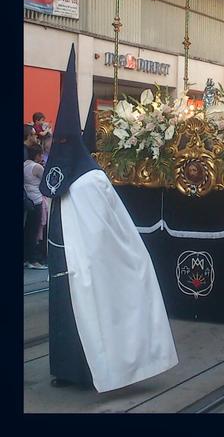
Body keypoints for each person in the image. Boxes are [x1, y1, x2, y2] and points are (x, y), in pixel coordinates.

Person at [40, 45, 178, 391]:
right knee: (65, 316)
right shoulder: (65, 175)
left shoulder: (92, 179)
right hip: (62, 261)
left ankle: (92, 370)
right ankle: (67, 370)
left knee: (91, 313)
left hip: (87, 263)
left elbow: (110, 229)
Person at [24, 143, 48, 269]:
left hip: (29, 199)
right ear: (37, 155)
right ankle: (34, 259)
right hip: (38, 200)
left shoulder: (25, 165)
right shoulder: (37, 167)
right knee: (37, 231)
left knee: (29, 230)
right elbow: (46, 180)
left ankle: (27, 257)